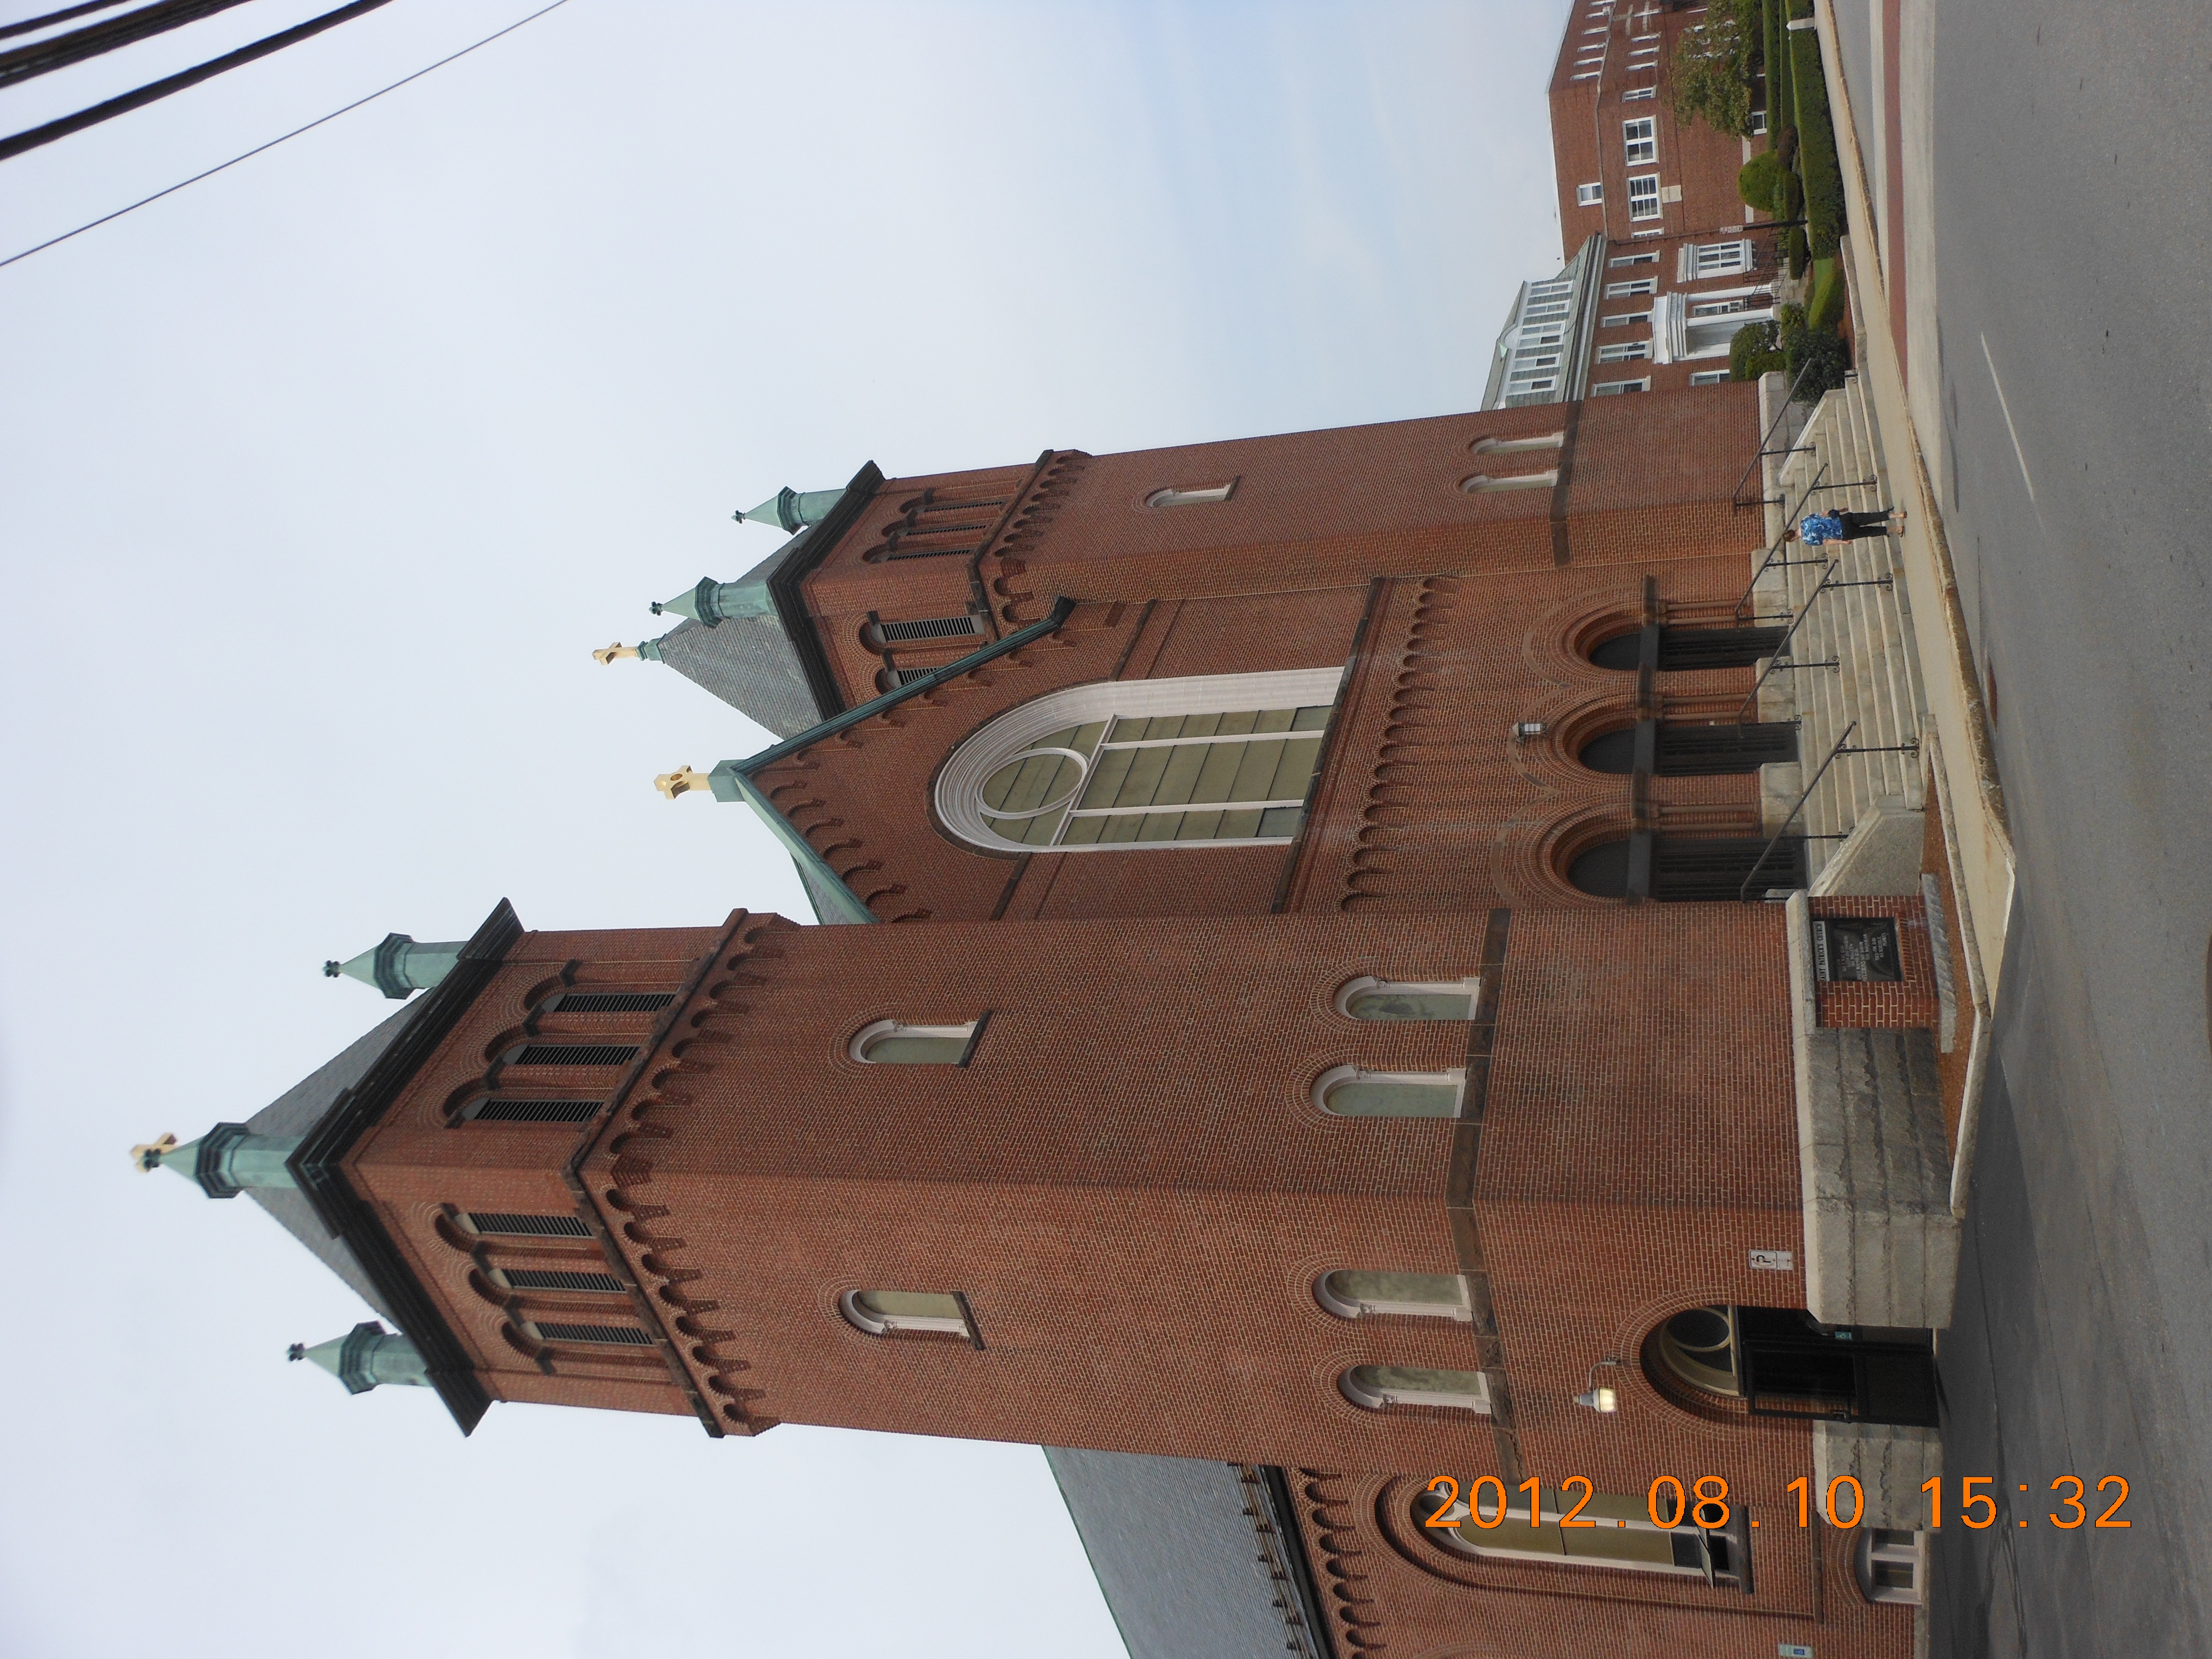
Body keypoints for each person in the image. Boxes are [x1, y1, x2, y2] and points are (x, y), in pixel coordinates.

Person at [1797, 505, 1907, 544]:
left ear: (1793, 539)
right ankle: (1898, 515)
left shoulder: (1808, 540)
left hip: (1843, 533)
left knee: (1871, 531)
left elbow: (1826, 541)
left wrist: (1842, 542)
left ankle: (1897, 529)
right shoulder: (1805, 521)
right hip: (1843, 520)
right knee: (1871, 517)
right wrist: (1839, 510)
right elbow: (1824, 514)